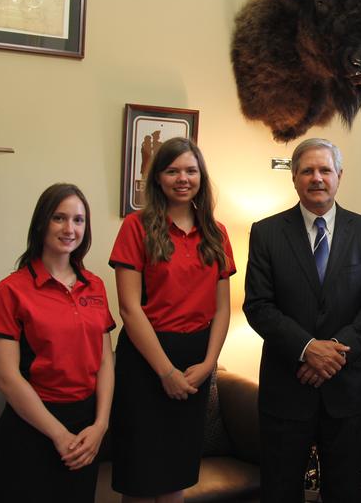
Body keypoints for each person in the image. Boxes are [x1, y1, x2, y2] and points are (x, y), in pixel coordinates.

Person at [243, 137, 361, 503]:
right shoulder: (266, 232)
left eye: (325, 169)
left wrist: (332, 355)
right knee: (279, 491)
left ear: (339, 175)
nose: (317, 178)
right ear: (294, 178)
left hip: (346, 391)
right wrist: (307, 349)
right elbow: (258, 305)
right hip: (286, 388)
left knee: (344, 492)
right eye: (307, 170)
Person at [109, 137, 235, 503]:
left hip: (196, 359)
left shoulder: (216, 232)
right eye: (172, 170)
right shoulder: (136, 227)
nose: (183, 178)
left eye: (191, 171)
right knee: (141, 476)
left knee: (177, 473)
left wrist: (209, 364)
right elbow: (129, 309)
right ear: (158, 178)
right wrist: (165, 372)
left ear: (201, 177)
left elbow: (222, 308)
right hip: (146, 361)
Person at [0, 183, 115, 503]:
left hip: (85, 432)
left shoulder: (95, 285)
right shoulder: (11, 290)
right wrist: (58, 436)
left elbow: (105, 360)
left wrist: (100, 425)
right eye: (59, 218)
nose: (70, 228)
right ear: (42, 222)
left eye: (79, 220)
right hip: (31, 431)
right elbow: (7, 377)